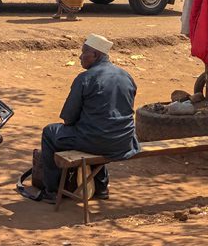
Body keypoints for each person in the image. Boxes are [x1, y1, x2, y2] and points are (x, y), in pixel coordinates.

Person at [38, 34, 139, 203]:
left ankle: (53, 191)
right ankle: (101, 188)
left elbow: (68, 118)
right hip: (124, 141)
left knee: (50, 132)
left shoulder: (85, 79)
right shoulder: (126, 76)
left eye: (84, 52)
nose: (80, 56)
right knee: (98, 131)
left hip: (96, 140)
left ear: (96, 55)